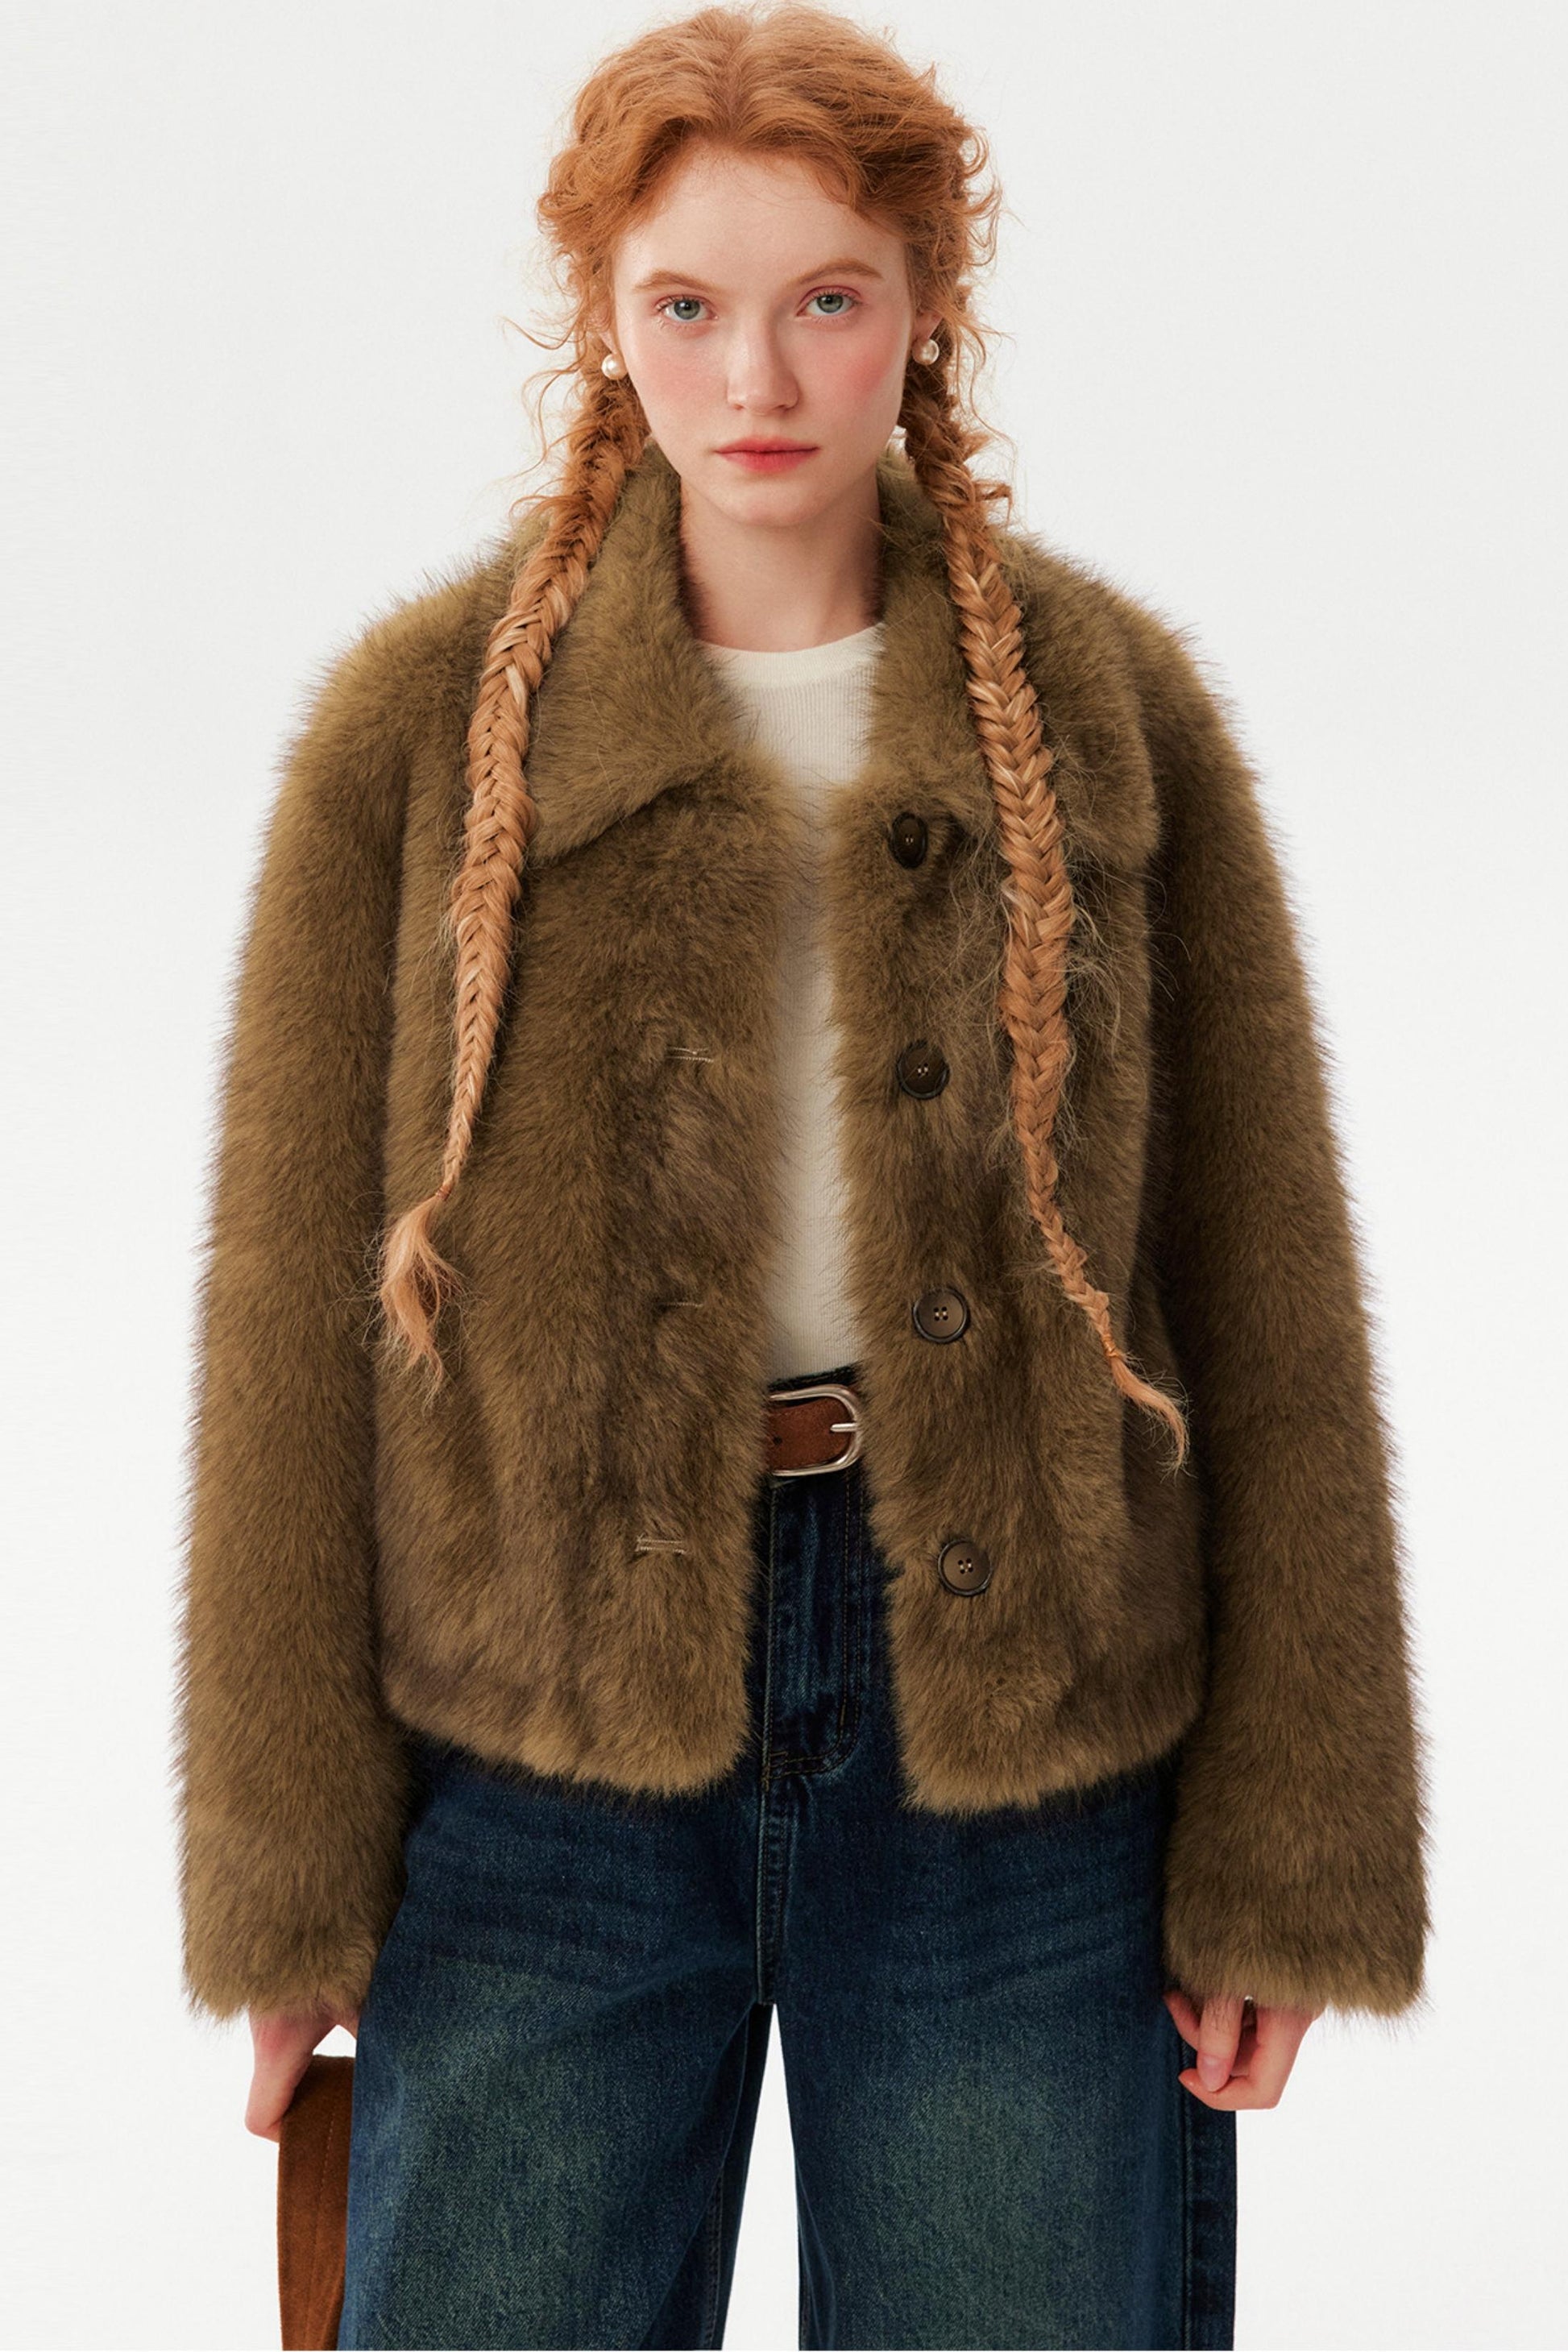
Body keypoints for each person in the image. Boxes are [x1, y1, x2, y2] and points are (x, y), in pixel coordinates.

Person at [172, 6, 1429, 2346]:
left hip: (1020, 1748)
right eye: (686, 303)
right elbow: (285, 1324)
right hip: (531, 1748)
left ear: (924, 306)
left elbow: (1266, 1295)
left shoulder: (1106, 712)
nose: (754, 375)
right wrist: (286, 1879)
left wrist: (1293, 1847)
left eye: (825, 298)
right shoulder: (425, 737)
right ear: (603, 317)